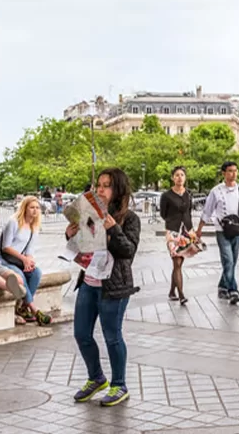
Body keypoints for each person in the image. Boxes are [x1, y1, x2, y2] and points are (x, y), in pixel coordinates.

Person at [70, 168, 141, 407]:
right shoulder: (90, 214)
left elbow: (128, 251)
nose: (100, 189)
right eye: (98, 185)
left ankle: (119, 385)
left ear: (118, 189)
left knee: (112, 337)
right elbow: (82, 246)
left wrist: (112, 228)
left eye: (106, 185)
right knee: (81, 334)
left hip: (113, 285)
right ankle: (96, 377)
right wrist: (71, 234)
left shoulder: (129, 218)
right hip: (89, 281)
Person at [197, 161, 239, 306]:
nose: (233, 174)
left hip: (237, 230)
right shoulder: (216, 191)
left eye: (235, 170)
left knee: (232, 261)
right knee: (228, 260)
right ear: (223, 173)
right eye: (230, 171)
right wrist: (199, 229)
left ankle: (222, 285)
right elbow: (207, 211)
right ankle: (233, 290)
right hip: (222, 230)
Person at [0, 196, 51, 326]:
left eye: (37, 208)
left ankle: (22, 307)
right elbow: (5, 247)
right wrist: (23, 259)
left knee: (36, 273)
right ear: (25, 208)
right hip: (4, 259)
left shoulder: (34, 227)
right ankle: (34, 309)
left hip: (19, 260)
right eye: (32, 207)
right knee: (20, 276)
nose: (35, 210)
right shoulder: (14, 222)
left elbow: (29, 252)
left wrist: (29, 262)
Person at [159, 166, 194, 305]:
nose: (179, 177)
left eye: (182, 175)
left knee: (179, 263)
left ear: (185, 177)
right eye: (177, 175)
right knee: (177, 262)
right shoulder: (166, 196)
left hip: (186, 231)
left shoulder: (188, 194)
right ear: (173, 178)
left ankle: (172, 291)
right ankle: (181, 294)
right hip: (173, 231)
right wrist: (171, 223)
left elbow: (189, 212)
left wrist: (192, 230)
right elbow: (163, 213)